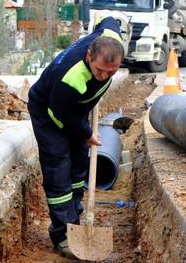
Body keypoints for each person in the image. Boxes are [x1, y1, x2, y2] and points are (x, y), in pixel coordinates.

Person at [27, 16, 124, 258]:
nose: (104, 76)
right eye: (100, 70)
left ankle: (75, 218)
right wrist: (86, 133)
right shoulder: (70, 77)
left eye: (111, 72)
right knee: (59, 168)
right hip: (49, 114)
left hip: (75, 110)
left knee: (79, 166)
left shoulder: (111, 42)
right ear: (89, 56)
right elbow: (60, 115)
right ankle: (62, 236)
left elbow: (109, 21)